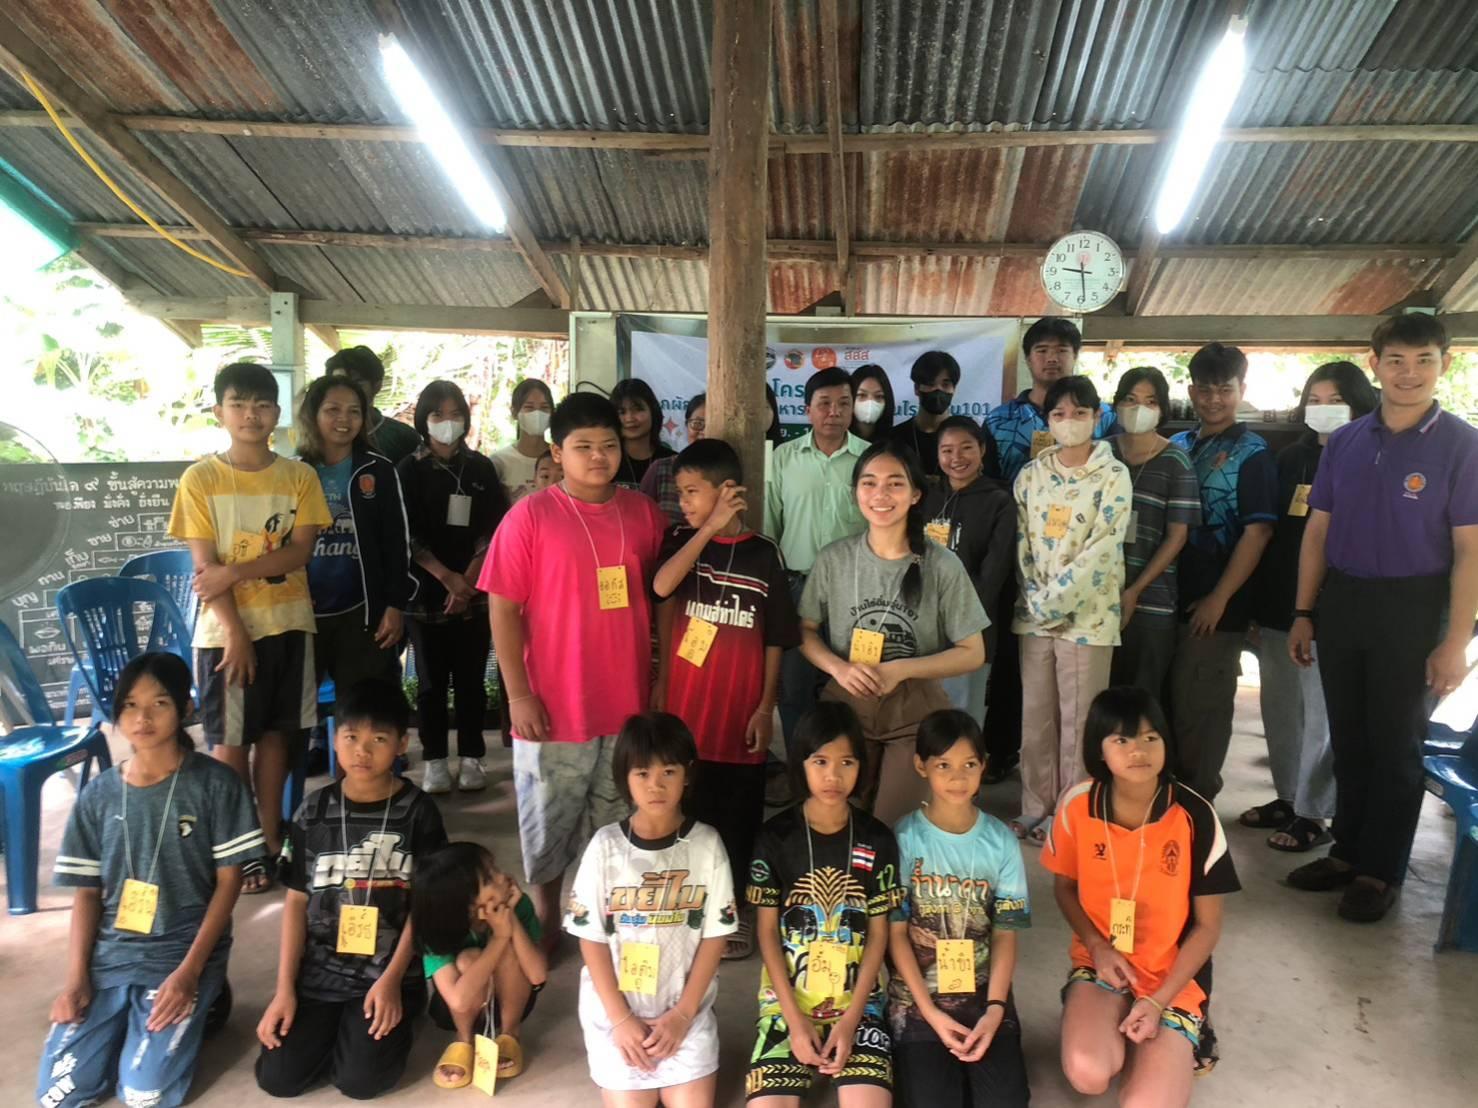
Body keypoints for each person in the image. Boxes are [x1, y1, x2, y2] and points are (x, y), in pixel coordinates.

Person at [1287, 314, 1478, 922]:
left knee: (1396, 742)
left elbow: (1471, 551)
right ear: (1375, 364)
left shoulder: (1463, 445)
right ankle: (1347, 851)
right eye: (1396, 360)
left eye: (1424, 360)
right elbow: (1318, 531)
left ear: (1444, 364)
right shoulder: (1346, 441)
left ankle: (1379, 870)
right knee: (1349, 735)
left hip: (1414, 604)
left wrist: (1455, 641)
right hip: (1344, 600)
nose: (1409, 373)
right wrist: (1304, 611)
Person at [37, 653, 263, 1108]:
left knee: (144, 1094)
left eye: (159, 703)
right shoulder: (98, 795)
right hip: (113, 952)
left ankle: (205, 1000)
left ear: (184, 708)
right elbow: (87, 894)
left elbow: (229, 883)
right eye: (130, 705)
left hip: (183, 951)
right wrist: (76, 980)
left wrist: (190, 973)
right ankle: (127, 1019)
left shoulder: (216, 784)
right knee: (58, 1095)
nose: (142, 718)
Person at [483, 392, 669, 944]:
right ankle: (546, 912)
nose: (598, 457)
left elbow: (664, 596)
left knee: (614, 818)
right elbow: (502, 609)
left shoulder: (643, 514)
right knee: (548, 818)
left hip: (626, 699)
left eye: (608, 445)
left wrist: (661, 681)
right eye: (583, 446)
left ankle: (599, 915)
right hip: (553, 703)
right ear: (557, 453)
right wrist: (519, 695)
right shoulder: (530, 516)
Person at [168, 361, 331, 893]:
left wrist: (235, 571)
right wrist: (236, 633)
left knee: (279, 737)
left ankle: (268, 839)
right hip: (225, 634)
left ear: (277, 413)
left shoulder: (299, 477)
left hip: (290, 624)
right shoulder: (201, 479)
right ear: (220, 412)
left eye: (261, 404)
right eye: (238, 404)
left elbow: (300, 551)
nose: (250, 414)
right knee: (231, 745)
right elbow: (204, 571)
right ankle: (236, 851)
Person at [1043, 686, 1239, 1108]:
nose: (1139, 751)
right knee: (1088, 1074)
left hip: (1172, 976)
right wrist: (1096, 946)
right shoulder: (1077, 804)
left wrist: (1157, 1000)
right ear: (1099, 750)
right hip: (1102, 961)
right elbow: (1064, 887)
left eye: (1151, 737)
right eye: (1122, 739)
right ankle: (1093, 1007)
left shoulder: (1196, 815)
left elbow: (1208, 927)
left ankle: (1186, 1026)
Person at [256, 680, 448, 1100]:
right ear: (334, 740)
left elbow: (426, 904)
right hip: (320, 972)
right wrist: (284, 989)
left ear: (401, 744)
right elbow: (296, 901)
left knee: (361, 1082)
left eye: (378, 739)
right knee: (278, 1078)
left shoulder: (419, 813)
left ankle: (400, 1010)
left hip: (389, 973)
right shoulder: (312, 811)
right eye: (351, 737)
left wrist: (393, 980)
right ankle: (340, 1026)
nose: (362, 751)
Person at [652, 438, 799, 960]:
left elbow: (776, 638)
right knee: (685, 816)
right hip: (687, 717)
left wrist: (765, 708)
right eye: (681, 493)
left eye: (693, 492)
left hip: (740, 720)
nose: (684, 502)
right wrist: (707, 528)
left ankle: (731, 908)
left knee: (737, 822)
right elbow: (662, 586)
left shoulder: (764, 553)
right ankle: (684, 907)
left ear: (727, 490)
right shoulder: (681, 541)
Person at [800, 440, 988, 824]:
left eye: (895, 483)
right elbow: (805, 630)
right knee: (839, 822)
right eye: (869, 483)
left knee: (891, 826)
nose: (880, 494)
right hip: (846, 710)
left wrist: (901, 669)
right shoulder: (834, 558)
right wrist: (838, 668)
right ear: (856, 492)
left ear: (915, 494)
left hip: (914, 716)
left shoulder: (942, 564)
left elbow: (973, 652)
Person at [565, 712, 737, 1106]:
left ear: (687, 775)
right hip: (617, 1015)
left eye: (668, 772)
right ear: (624, 777)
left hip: (684, 1013)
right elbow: (590, 939)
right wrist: (621, 1020)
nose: (655, 785)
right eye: (642, 773)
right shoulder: (605, 846)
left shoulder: (707, 845)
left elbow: (716, 936)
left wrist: (683, 1016)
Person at [1243, 362, 1379, 854]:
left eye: (1335, 401)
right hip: (1281, 607)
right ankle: (1288, 797)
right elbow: (1272, 535)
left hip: (1330, 614)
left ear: (1360, 404)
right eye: (1315, 401)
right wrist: (1258, 608)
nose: (1323, 410)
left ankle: (1314, 813)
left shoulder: (1371, 457)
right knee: (1282, 712)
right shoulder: (1290, 459)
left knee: (1322, 718)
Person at [746, 702, 903, 1107]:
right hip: (785, 1005)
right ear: (800, 764)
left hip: (860, 1006)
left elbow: (878, 934)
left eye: (846, 762)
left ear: (861, 767)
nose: (833, 776)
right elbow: (767, 932)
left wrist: (851, 1021)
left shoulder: (877, 838)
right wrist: (794, 1022)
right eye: (820, 761)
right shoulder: (774, 837)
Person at [887, 709, 1031, 1107]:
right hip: (917, 1002)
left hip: (984, 996)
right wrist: (930, 1012)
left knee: (1005, 1102)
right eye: (943, 765)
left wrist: (996, 1009)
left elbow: (1006, 933)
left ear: (984, 765)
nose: (957, 777)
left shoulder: (1001, 841)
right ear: (921, 766)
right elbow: (895, 934)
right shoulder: (904, 838)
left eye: (969, 764)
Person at [1010, 375, 1131, 844]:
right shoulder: (1031, 474)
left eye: (1080, 413)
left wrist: (1056, 602)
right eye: (1058, 414)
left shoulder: (1113, 474)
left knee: (1080, 720)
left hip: (1089, 618)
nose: (1069, 421)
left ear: (1097, 417)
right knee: (1036, 716)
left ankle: (1071, 813)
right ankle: (1034, 806)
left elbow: (1103, 548)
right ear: (1047, 421)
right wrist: (1038, 600)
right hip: (1034, 615)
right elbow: (1022, 544)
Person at [1167, 344, 1277, 801]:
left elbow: (1258, 533)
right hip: (1168, 596)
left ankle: (1198, 802)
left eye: (1225, 390)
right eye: (1206, 389)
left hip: (1217, 606)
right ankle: (1166, 800)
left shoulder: (1253, 454)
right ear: (1192, 391)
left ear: (1241, 390)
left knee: (1202, 708)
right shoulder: (1178, 445)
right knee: (1171, 703)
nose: (1214, 399)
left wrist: (1220, 598)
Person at [396, 380, 508, 793]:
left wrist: (469, 580)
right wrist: (447, 578)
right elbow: (405, 533)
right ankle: (435, 760)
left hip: (474, 594)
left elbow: (495, 528)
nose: (448, 422)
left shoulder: (479, 467)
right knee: (430, 685)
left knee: (471, 681)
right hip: (425, 596)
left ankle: (473, 757)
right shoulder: (407, 470)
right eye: (438, 414)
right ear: (423, 420)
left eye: (456, 414)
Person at [764, 367, 869, 741]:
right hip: (797, 587)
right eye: (824, 403)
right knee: (794, 687)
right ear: (807, 409)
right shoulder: (782, 458)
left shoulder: (870, 459)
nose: (834, 412)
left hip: (854, 589)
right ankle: (801, 767)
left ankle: (846, 766)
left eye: (843, 403)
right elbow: (770, 526)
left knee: (850, 685)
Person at [296, 375, 417, 696]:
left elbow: (396, 544)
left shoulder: (378, 470)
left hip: (363, 612)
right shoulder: (293, 471)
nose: (344, 419)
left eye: (354, 411)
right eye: (332, 410)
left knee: (366, 707)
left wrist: (395, 605)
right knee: (297, 712)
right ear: (313, 414)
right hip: (302, 612)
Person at [412, 842, 548, 1088]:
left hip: (512, 1000)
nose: (503, 877)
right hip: (462, 1009)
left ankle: (510, 1034)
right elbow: (458, 1001)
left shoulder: (519, 904)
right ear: (466, 903)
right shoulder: (437, 928)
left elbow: (538, 975)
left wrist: (510, 918)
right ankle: (464, 1039)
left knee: (509, 950)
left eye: (495, 868)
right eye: (489, 878)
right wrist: (499, 938)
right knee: (468, 958)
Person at [1108, 367, 1201, 696]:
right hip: (1097, 599)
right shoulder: (1100, 453)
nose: (1139, 409)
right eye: (1130, 399)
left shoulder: (1176, 461)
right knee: (1097, 699)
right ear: (1117, 404)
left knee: (1141, 698)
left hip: (1152, 602)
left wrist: (1134, 591)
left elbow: (1177, 536)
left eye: (1150, 401)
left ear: (1163, 409)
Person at [922, 416, 1013, 728]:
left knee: (962, 716)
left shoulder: (1000, 501)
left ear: (982, 449)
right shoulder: (927, 497)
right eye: (947, 450)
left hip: (970, 628)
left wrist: (953, 615)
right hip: (924, 625)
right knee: (924, 713)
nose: (956, 458)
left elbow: (993, 575)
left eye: (966, 448)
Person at [986, 318, 1118, 487]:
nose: (1052, 359)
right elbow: (987, 479)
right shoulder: (998, 420)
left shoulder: (1105, 417)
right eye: (1042, 350)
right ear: (1028, 358)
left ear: (1075, 356)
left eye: (1061, 350)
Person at [325, 345, 422, 465]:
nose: (347, 390)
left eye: (357, 383)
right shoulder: (318, 436)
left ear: (377, 386)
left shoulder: (404, 437)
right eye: (338, 383)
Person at [889, 350, 959, 479]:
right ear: (916, 388)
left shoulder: (964, 437)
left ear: (954, 389)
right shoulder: (894, 438)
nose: (938, 390)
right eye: (931, 384)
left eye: (945, 384)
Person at [641, 392, 707, 526]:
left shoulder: (731, 472)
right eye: (697, 424)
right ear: (686, 425)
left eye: (712, 424)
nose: (704, 432)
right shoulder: (661, 469)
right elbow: (641, 522)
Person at [491, 377, 557, 503]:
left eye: (544, 407)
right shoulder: (499, 462)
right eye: (529, 407)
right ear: (514, 412)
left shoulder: (560, 457)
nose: (537, 414)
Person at [611, 377, 676, 489]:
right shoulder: (607, 460)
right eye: (622, 412)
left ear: (653, 412)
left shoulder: (673, 462)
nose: (629, 418)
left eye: (638, 409)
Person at [849, 364, 896, 443]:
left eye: (878, 396)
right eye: (862, 395)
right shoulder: (837, 439)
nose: (870, 402)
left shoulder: (896, 443)